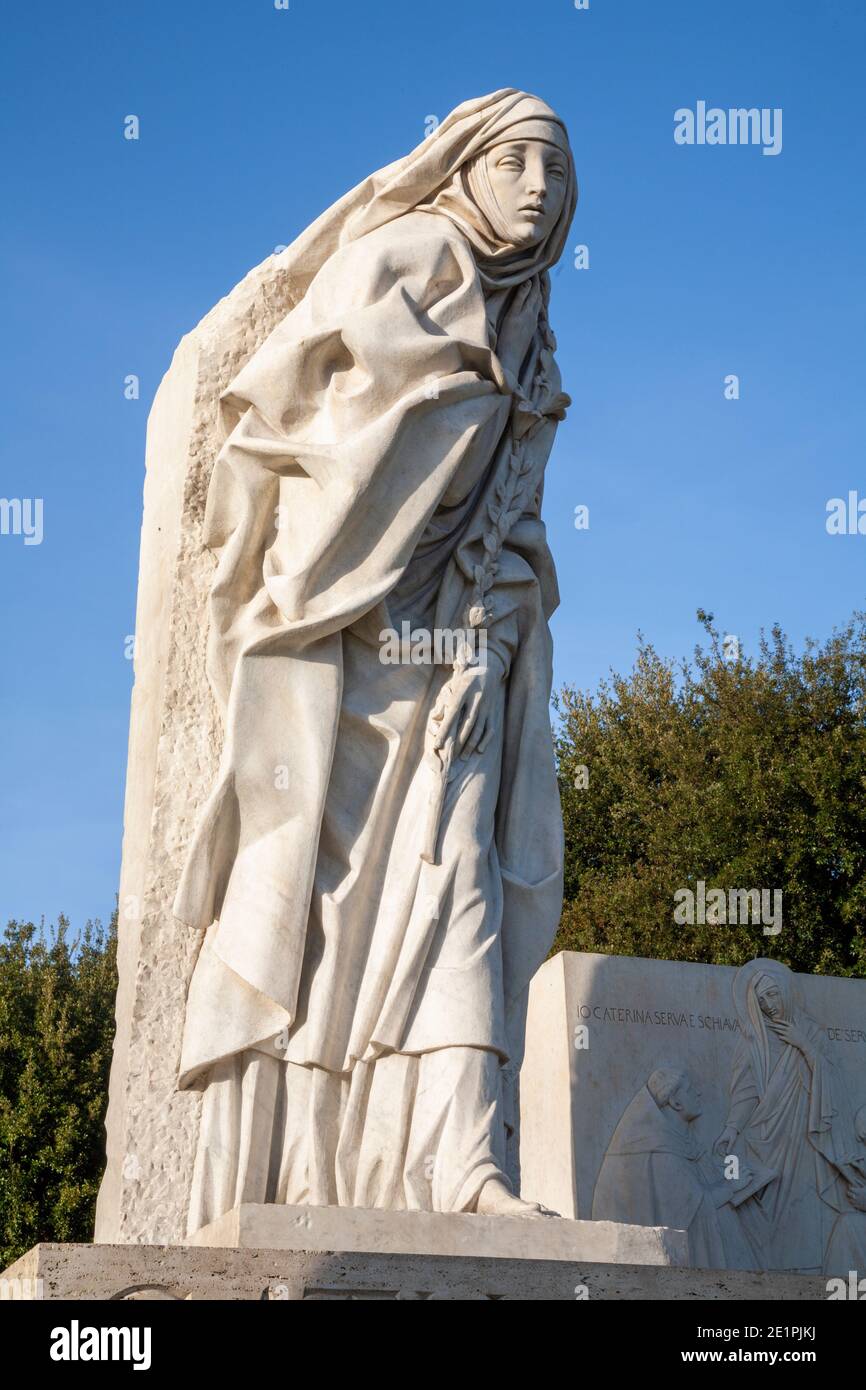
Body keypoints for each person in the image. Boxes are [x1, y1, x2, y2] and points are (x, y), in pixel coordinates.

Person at [171, 90, 577, 1233]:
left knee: (462, 887)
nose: (538, 189)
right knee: (326, 910)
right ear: (466, 163)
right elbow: (302, 438)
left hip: (457, 660)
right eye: (515, 161)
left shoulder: (531, 315)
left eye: (554, 169)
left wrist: (488, 619)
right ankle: (306, 1173)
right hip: (346, 649)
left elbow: (518, 517)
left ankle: (459, 1169)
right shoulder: (406, 255)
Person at [715, 959, 866, 1271]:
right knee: (772, 1214)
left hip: (807, 1136)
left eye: (773, 995)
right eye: (761, 1001)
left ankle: (811, 1271)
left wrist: (804, 1046)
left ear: (785, 990)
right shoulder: (754, 1040)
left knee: (807, 1208)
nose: (769, 1006)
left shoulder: (811, 1032)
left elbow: (834, 1086)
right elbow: (746, 1090)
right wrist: (731, 1128)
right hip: (766, 1137)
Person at [592, 1067, 760, 1269]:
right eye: (690, 1089)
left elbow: (696, 1189)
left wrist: (731, 1178)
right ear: (675, 1102)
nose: (698, 1093)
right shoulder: (660, 1149)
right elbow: (695, 1207)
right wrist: (733, 1187)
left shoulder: (677, 1139)